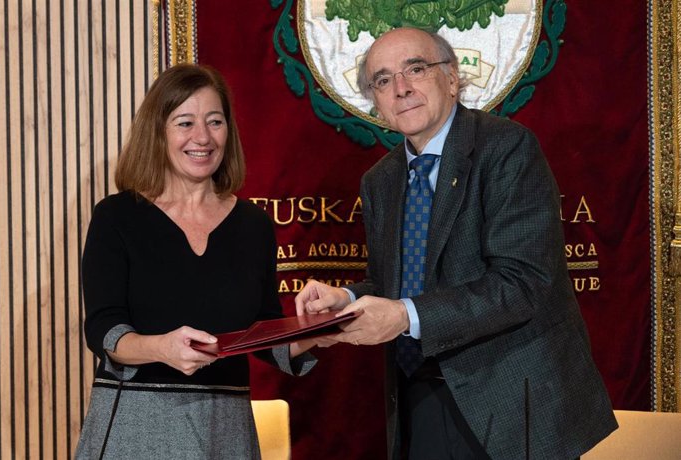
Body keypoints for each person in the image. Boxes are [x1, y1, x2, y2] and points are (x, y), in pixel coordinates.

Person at [296, 28, 617, 459]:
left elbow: (521, 283)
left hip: (509, 400)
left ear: (451, 78)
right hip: (420, 400)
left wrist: (401, 315)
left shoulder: (507, 147)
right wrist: (348, 298)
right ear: (375, 101)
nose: (402, 88)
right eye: (384, 79)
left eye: (416, 69)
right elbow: (397, 286)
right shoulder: (380, 181)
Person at [75, 63, 316, 459]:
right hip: (136, 428)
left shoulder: (253, 224)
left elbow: (261, 334)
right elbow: (104, 331)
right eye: (185, 123)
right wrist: (161, 348)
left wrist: (319, 333)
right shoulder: (117, 216)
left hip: (227, 430)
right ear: (158, 132)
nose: (202, 137)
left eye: (215, 121)